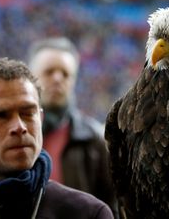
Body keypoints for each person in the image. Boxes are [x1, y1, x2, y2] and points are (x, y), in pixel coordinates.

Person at [0, 58, 114, 219]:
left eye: (28, 113)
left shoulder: (88, 213)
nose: (20, 127)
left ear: (41, 119)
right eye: (1, 115)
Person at [27, 37, 118, 216]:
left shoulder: (95, 141)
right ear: (31, 77)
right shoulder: (13, 135)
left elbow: (111, 207)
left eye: (65, 73)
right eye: (49, 71)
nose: (58, 78)